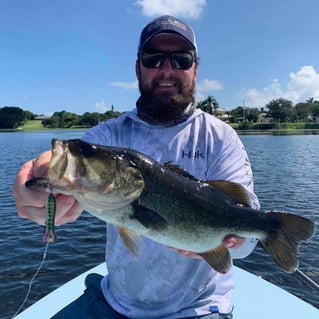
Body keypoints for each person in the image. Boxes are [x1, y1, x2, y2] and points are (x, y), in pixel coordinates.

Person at [13, 15, 259, 319]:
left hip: (196, 309)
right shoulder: (110, 135)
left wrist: (235, 240)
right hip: (113, 302)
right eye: (153, 58)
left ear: (195, 69)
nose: (167, 69)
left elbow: (247, 243)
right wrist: (39, 174)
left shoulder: (221, 137)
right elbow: (70, 156)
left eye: (181, 59)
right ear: (137, 67)